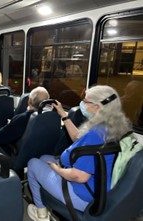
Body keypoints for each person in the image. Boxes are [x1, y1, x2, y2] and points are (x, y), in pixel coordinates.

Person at [27, 85, 132, 221]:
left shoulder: (96, 134)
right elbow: (78, 137)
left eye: (86, 101)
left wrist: (58, 170)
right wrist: (64, 116)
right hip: (99, 188)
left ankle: (41, 214)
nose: (82, 104)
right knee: (44, 158)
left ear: (97, 106)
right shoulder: (111, 126)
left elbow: (79, 177)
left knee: (33, 163)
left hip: (83, 194)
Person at [0, 86, 50, 155]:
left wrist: (9, 125)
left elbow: (0, 138)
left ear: (29, 100)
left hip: (13, 151)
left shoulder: (22, 119)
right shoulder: (47, 119)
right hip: (33, 152)